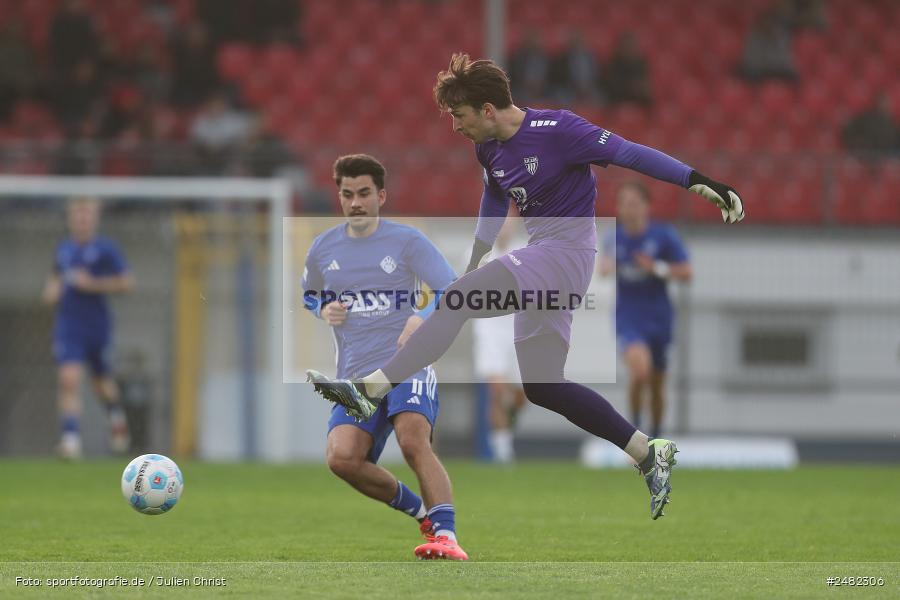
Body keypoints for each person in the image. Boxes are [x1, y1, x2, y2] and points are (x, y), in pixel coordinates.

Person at [307, 53, 744, 522]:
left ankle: (373, 387)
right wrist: (476, 258)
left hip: (565, 256)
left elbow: (630, 152)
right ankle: (644, 450)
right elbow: (494, 197)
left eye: (460, 116)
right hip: (544, 262)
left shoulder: (560, 130)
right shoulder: (488, 149)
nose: (455, 127)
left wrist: (698, 181)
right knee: (542, 385)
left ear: (488, 110)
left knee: (456, 302)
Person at [302, 154, 466, 560]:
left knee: (413, 442)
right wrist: (324, 308)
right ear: (338, 196)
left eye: (363, 194)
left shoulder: (407, 241)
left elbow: (450, 289)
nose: (355, 202)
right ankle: (423, 514)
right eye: (347, 194)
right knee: (342, 459)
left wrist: (419, 318)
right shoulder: (323, 248)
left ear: (381, 196)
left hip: (405, 363)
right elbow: (311, 293)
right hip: (356, 375)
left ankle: (447, 536)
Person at [42, 197, 135, 459]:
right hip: (69, 325)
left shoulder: (107, 249)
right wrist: (51, 292)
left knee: (100, 382)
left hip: (97, 326)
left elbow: (127, 283)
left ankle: (117, 419)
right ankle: (70, 440)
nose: (82, 221)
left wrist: (92, 284)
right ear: (71, 219)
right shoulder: (64, 250)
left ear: (94, 219)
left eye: (87, 216)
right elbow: (54, 280)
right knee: (68, 379)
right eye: (78, 215)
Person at [599, 182, 691, 439]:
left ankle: (657, 438)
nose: (628, 210)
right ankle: (636, 437)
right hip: (629, 316)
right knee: (640, 371)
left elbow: (686, 272)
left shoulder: (663, 236)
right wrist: (606, 266)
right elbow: (603, 267)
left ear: (646, 207)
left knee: (657, 383)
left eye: (634, 204)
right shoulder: (614, 237)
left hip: (659, 316)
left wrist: (657, 268)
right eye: (624, 204)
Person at [470, 214, 526, 463]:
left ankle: (504, 435)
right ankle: (503, 454)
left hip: (518, 331)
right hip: (490, 330)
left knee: (521, 396)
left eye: (509, 220)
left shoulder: (526, 252)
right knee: (497, 391)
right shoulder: (478, 253)